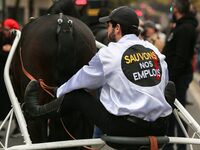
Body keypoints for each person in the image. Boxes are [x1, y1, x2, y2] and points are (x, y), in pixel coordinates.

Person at [24, 6, 172, 149]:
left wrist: (57, 91)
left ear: (117, 28)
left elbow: (81, 81)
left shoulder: (109, 53)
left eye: (109, 26)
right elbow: (163, 83)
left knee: (77, 95)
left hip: (126, 130)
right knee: (170, 87)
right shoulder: (154, 51)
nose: (107, 30)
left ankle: (36, 111)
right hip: (160, 127)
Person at [162, 0, 198, 150]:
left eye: (172, 7)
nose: (171, 10)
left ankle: (181, 145)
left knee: (177, 114)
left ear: (176, 9)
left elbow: (180, 57)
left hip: (177, 78)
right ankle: (169, 145)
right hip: (176, 77)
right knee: (171, 114)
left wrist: (171, 79)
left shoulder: (185, 28)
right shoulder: (182, 26)